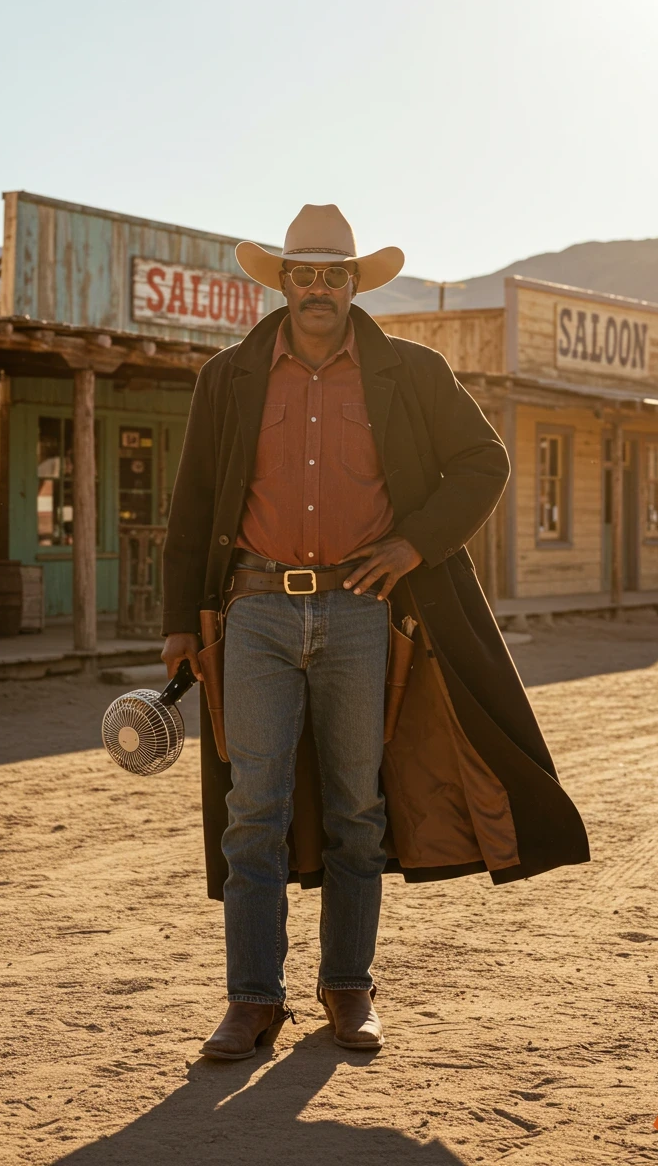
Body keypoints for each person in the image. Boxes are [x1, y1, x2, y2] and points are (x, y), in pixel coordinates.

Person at [161, 204, 589, 1061]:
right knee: (254, 813)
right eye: (303, 275)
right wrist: (178, 624)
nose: (318, 290)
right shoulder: (228, 377)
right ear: (282, 283)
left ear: (357, 283)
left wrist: (415, 543)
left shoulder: (411, 372)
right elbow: (192, 502)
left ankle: (347, 991)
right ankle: (252, 1000)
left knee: (359, 809)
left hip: (363, 614)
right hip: (254, 613)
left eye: (334, 275)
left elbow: (485, 462)